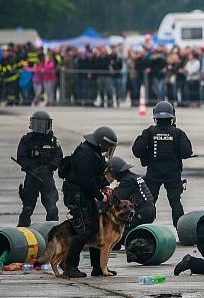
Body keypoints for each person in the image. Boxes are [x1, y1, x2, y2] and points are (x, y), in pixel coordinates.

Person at [62, 126, 118, 278]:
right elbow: (86, 180)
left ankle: (97, 268)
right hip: (77, 195)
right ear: (100, 142)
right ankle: (70, 267)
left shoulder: (94, 153)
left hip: (84, 194)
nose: (108, 149)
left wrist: (105, 185)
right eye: (107, 146)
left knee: (96, 230)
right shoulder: (86, 153)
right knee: (85, 231)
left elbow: (96, 176)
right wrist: (101, 197)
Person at [132, 101, 193, 227]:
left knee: (149, 201)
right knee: (175, 201)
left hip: (154, 172)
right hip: (173, 173)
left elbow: (137, 150)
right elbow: (187, 152)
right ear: (172, 117)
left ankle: (142, 228)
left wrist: (147, 154)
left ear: (155, 117)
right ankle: (182, 230)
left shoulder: (149, 132)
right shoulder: (178, 133)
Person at [16, 111, 63, 227]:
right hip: (32, 176)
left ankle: (52, 230)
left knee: (52, 207)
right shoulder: (26, 140)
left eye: (42, 124)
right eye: (38, 124)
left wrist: (49, 167)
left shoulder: (53, 141)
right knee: (27, 208)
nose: (40, 127)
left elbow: (58, 156)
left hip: (46, 177)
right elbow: (21, 156)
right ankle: (22, 231)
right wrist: (30, 167)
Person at [106, 156, 155, 238]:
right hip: (149, 210)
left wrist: (105, 194)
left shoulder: (127, 181)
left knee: (118, 232)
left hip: (142, 212)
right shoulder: (133, 177)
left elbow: (116, 198)